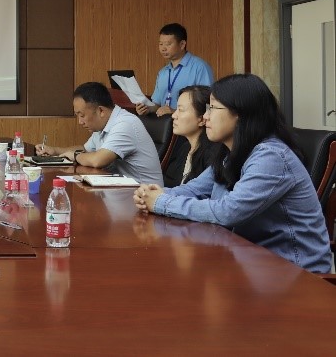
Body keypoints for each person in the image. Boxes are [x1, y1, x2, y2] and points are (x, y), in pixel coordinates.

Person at [134, 74, 332, 273]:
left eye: (213, 108)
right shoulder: (230, 153)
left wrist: (160, 202)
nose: (205, 116)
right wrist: (153, 194)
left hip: (294, 272)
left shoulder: (271, 156)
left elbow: (228, 212)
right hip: (250, 260)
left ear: (241, 114)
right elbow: (195, 189)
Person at [36, 81, 163, 185]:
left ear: (101, 111)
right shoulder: (104, 124)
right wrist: (55, 151)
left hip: (144, 196)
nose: (80, 122)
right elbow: (86, 149)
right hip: (123, 189)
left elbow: (98, 160)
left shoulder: (125, 124)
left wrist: (75, 156)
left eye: (82, 115)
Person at [136, 23, 213, 117]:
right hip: (163, 123)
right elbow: (157, 104)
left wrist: (175, 111)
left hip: (189, 124)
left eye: (168, 44)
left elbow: (208, 104)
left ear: (182, 44)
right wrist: (147, 109)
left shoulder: (200, 67)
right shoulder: (162, 72)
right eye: (160, 44)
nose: (163, 48)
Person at [162, 85, 221, 187]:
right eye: (176, 109)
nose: (174, 115)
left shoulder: (212, 155)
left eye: (181, 110)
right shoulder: (184, 148)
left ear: (202, 119)